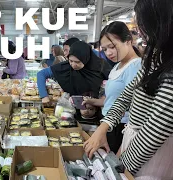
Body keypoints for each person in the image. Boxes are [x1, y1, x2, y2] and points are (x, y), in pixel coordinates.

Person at [84, 0, 173, 178]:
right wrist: (104, 126)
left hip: (150, 153)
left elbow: (155, 130)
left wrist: (121, 165)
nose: (139, 30)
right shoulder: (155, 59)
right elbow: (125, 97)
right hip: (134, 142)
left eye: (141, 23)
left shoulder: (168, 67)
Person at [83, 21, 142, 153]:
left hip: (120, 126)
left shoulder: (135, 66)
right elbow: (112, 99)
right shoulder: (117, 65)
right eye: (104, 49)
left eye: (112, 47)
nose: (108, 53)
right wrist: (92, 102)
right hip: (108, 123)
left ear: (128, 41)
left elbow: (130, 103)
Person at [37, 41, 111, 103]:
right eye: (71, 61)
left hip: (95, 109)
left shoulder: (101, 66)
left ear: (86, 58)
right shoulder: (66, 66)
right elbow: (41, 74)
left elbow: (114, 82)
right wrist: (44, 96)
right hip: (71, 108)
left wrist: (103, 97)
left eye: (77, 62)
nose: (73, 65)